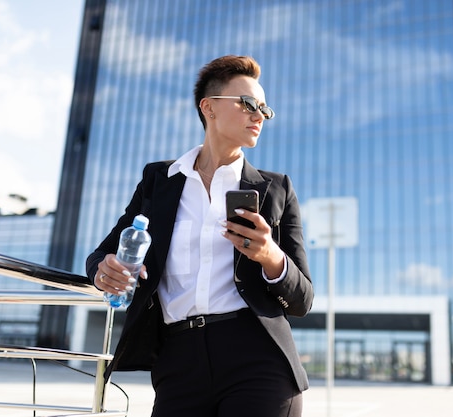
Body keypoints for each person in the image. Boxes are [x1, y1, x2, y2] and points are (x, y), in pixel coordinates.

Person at [86, 55, 313, 417]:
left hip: (257, 357)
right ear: (209, 107)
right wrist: (104, 270)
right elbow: (102, 253)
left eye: (265, 110)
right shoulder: (158, 181)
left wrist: (270, 256)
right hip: (177, 360)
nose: (260, 116)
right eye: (249, 104)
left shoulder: (276, 189)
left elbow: (303, 299)